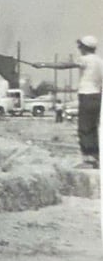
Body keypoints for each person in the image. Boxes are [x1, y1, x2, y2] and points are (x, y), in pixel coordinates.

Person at [33, 35, 103, 169]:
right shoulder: (100, 61)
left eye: (80, 46)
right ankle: (96, 158)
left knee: (84, 128)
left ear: (85, 47)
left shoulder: (85, 59)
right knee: (93, 128)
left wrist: (43, 64)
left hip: (87, 96)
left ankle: (89, 160)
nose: (78, 48)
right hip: (97, 96)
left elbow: (64, 65)